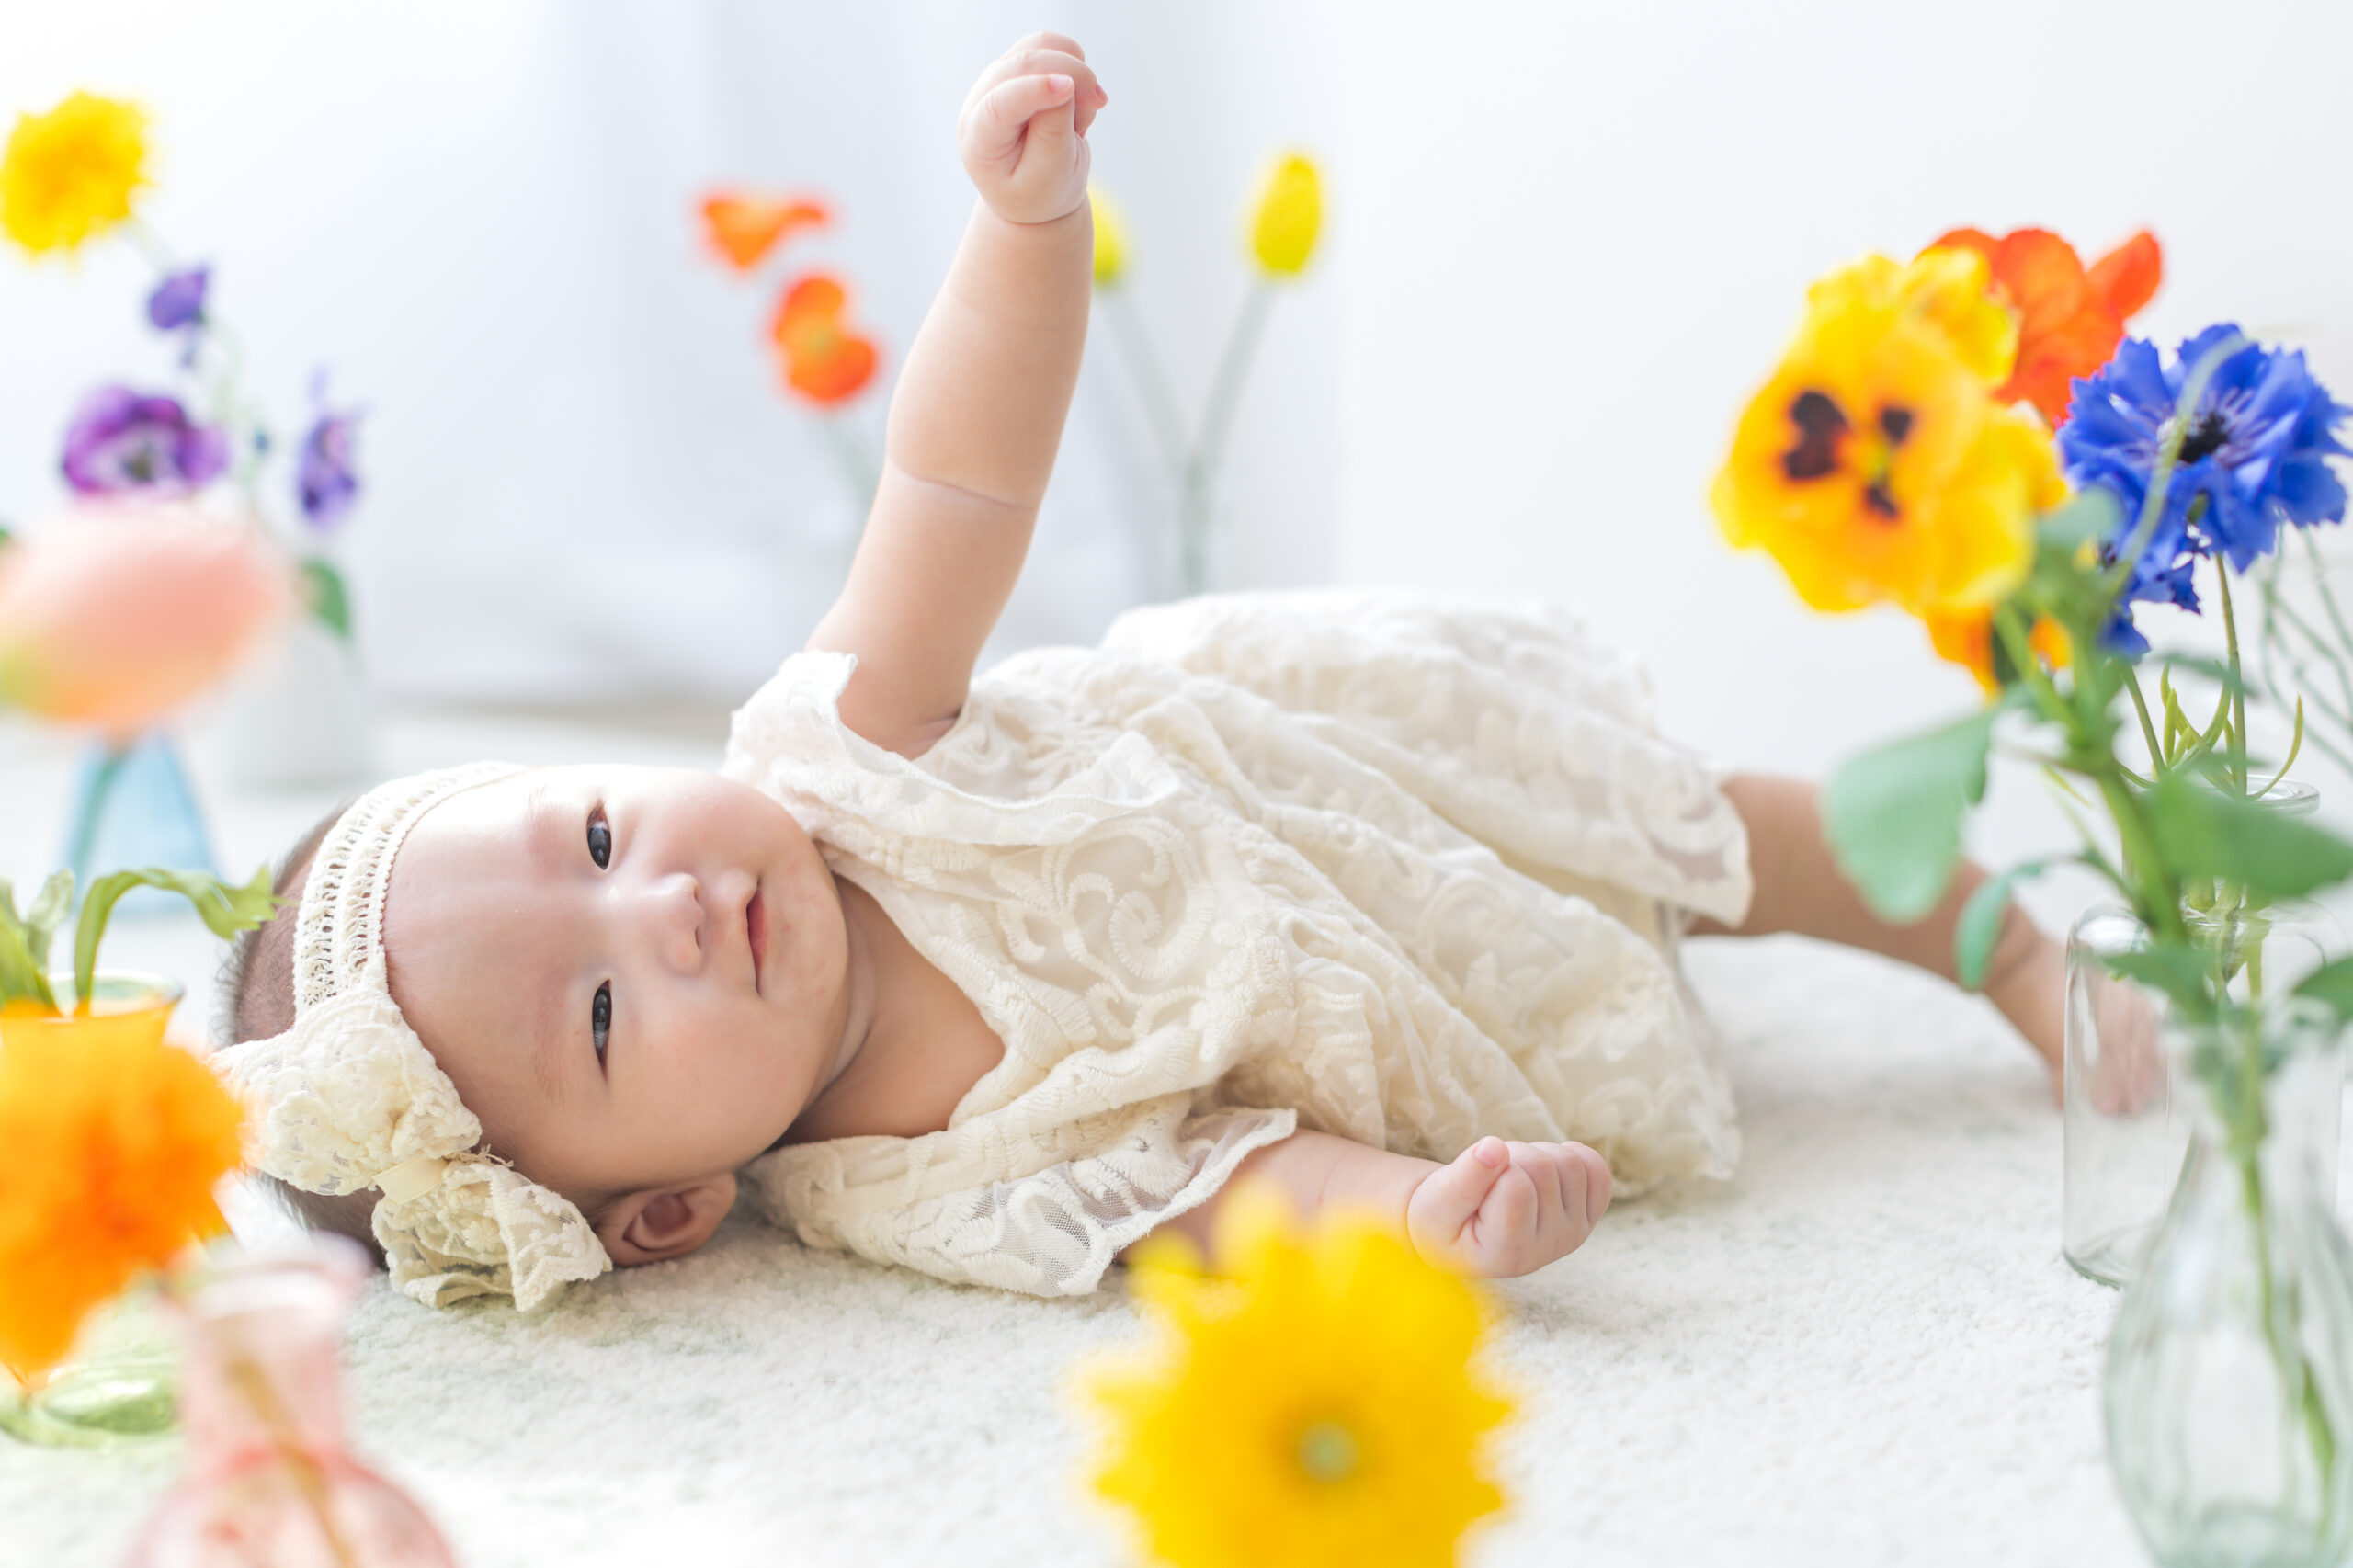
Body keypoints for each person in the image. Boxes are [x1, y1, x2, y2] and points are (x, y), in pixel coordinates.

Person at [214, 32, 2063, 1312]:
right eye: (604, 1017)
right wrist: (1422, 1221)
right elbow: (1222, 1186)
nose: (673, 910)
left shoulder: (841, 748)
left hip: (1346, 777)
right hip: (1420, 1018)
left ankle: (1998, 944)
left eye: (602, 834)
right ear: (666, 1215)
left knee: (1689, 834)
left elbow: (956, 477)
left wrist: (1020, 239)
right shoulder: (924, 1187)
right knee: (1615, 951)